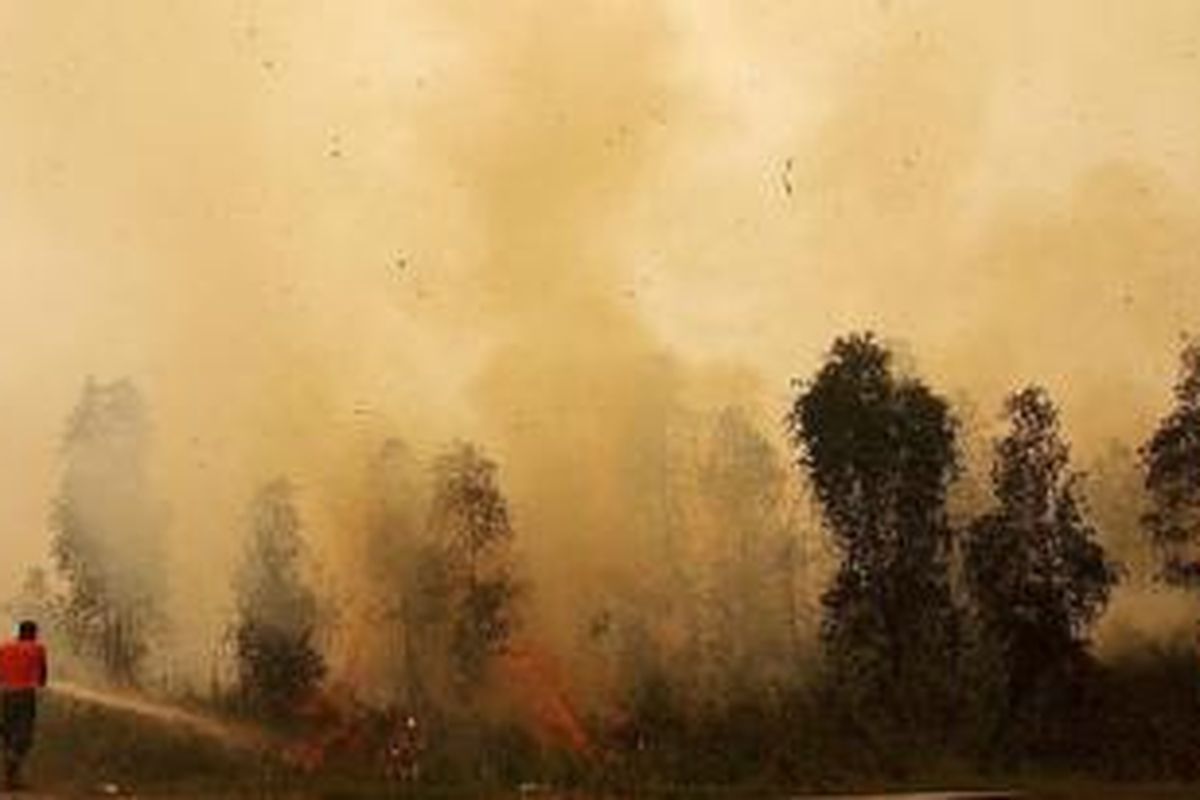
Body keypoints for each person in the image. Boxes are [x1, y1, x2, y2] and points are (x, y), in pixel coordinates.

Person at [0, 621, 48, 790]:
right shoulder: (37, 648)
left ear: (19, 633)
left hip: (5, 694)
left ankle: (11, 779)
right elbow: (42, 677)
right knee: (23, 736)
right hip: (25, 695)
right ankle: (11, 770)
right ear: (33, 633)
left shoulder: (4, 647)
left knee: (8, 733)